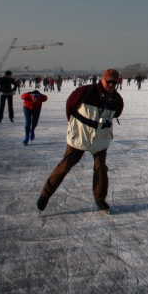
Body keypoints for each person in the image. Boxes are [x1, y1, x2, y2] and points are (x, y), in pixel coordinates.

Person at [36, 69, 124, 212]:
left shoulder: (117, 100)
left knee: (101, 168)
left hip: (100, 139)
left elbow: (116, 113)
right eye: (108, 81)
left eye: (114, 82)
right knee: (65, 165)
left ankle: (100, 199)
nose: (111, 85)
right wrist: (75, 126)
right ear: (102, 80)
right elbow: (70, 106)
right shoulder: (86, 92)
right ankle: (45, 194)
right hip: (80, 136)